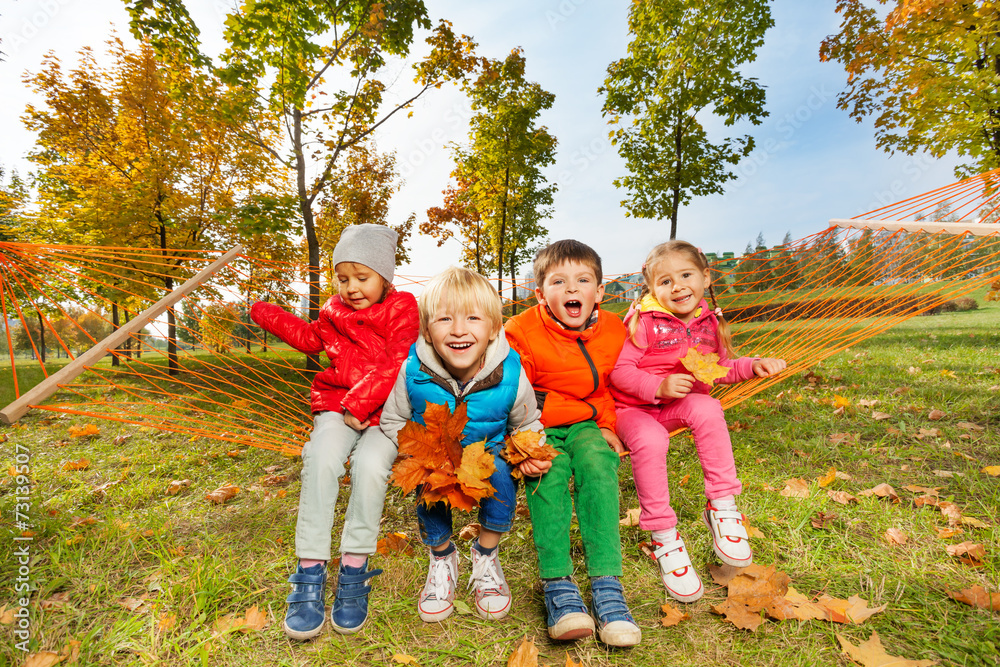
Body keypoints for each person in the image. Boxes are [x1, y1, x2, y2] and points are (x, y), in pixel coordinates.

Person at [250, 224, 419, 639]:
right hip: (335, 404)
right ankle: (309, 570)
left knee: (370, 465)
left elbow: (399, 358)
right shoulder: (332, 311)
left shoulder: (403, 307)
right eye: (343, 278)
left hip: (387, 410)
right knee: (322, 458)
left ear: (385, 276)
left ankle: (354, 568)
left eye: (363, 277)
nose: (352, 287)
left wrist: (361, 404)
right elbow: (310, 340)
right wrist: (264, 312)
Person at [609, 240, 786, 604]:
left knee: (706, 407)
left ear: (705, 277)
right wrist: (658, 385)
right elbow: (620, 372)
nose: (677, 286)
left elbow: (716, 370)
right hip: (633, 410)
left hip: (678, 406)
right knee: (653, 440)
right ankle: (664, 537)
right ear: (652, 289)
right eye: (665, 281)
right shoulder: (644, 321)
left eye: (686, 275)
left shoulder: (709, 322)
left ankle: (722, 506)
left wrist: (752, 365)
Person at [379, 266, 548, 623]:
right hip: (436, 455)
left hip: (487, 453)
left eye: (473, 318)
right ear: (427, 329)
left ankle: (486, 556)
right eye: (444, 319)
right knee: (426, 483)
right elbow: (393, 419)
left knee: (501, 474)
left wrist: (528, 451)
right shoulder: (413, 371)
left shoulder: (511, 374)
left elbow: (527, 422)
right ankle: (442, 557)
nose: (458, 330)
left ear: (493, 329)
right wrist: (418, 453)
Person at [504, 239, 642, 648]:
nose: (571, 289)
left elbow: (614, 382)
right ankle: (558, 584)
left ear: (599, 292)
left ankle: (606, 583)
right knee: (549, 475)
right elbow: (518, 394)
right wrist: (525, 444)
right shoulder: (521, 331)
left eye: (582, 280)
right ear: (541, 291)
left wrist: (607, 423)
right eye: (558, 281)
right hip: (536, 424)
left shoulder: (614, 329)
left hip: (587, 422)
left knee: (599, 466)